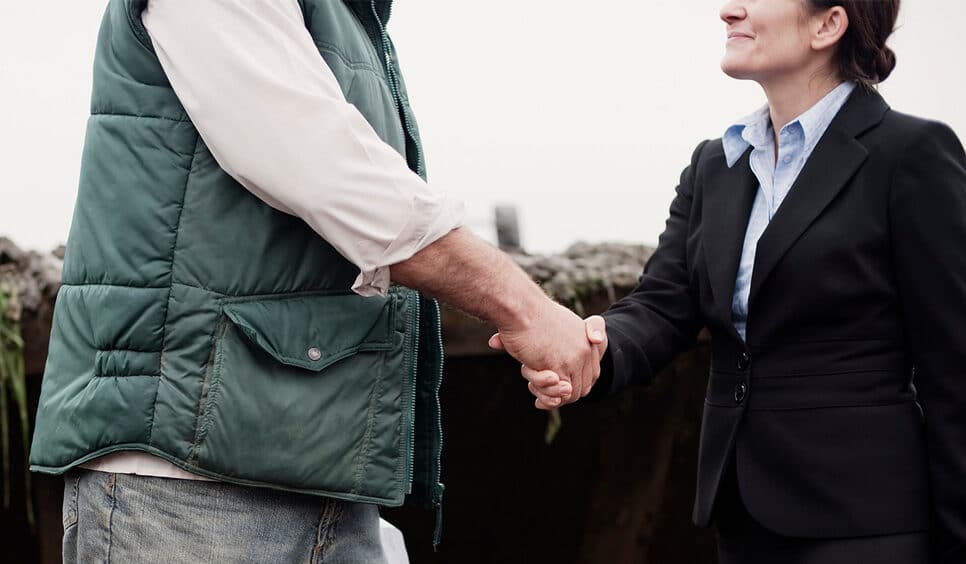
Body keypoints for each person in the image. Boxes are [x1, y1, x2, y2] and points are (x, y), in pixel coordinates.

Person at [29, 0, 597, 562]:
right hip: (189, 486)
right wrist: (526, 308)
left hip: (322, 481)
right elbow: (333, 174)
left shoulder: (347, 18)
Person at [517, 0, 966, 561]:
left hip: (866, 523)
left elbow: (955, 368)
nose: (728, 11)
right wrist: (590, 348)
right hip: (743, 518)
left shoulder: (911, 156)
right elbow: (661, 306)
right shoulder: (716, 165)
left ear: (828, 24)